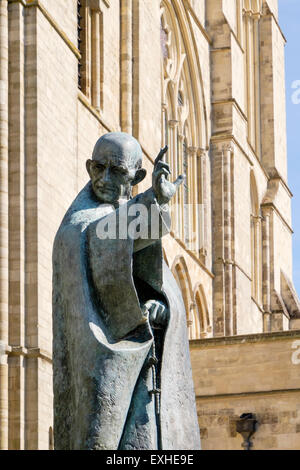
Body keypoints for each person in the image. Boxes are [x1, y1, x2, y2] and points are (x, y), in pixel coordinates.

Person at [52, 132, 201, 450]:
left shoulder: (133, 222)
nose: (104, 178)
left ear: (137, 176)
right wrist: (153, 203)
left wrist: (159, 308)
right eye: (97, 167)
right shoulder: (78, 226)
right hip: (103, 382)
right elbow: (102, 239)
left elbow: (162, 291)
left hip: (148, 383)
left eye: (117, 171)